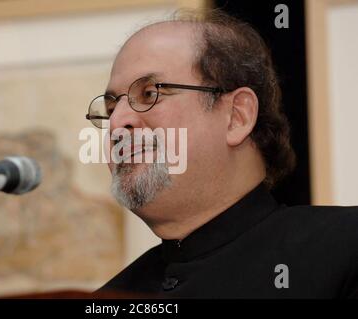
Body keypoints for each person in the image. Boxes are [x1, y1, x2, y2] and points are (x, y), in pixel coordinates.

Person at [85, 10, 358, 298]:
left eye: (151, 94)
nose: (117, 123)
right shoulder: (112, 297)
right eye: (112, 108)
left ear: (236, 117)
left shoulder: (346, 249)